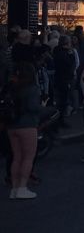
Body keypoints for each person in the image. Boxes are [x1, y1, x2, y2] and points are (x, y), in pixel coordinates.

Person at [7, 62, 41, 199]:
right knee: (28, 157)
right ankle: (22, 187)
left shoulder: (12, 87)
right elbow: (33, 107)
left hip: (12, 125)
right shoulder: (32, 88)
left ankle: (14, 188)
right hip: (27, 124)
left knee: (17, 157)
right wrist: (42, 106)